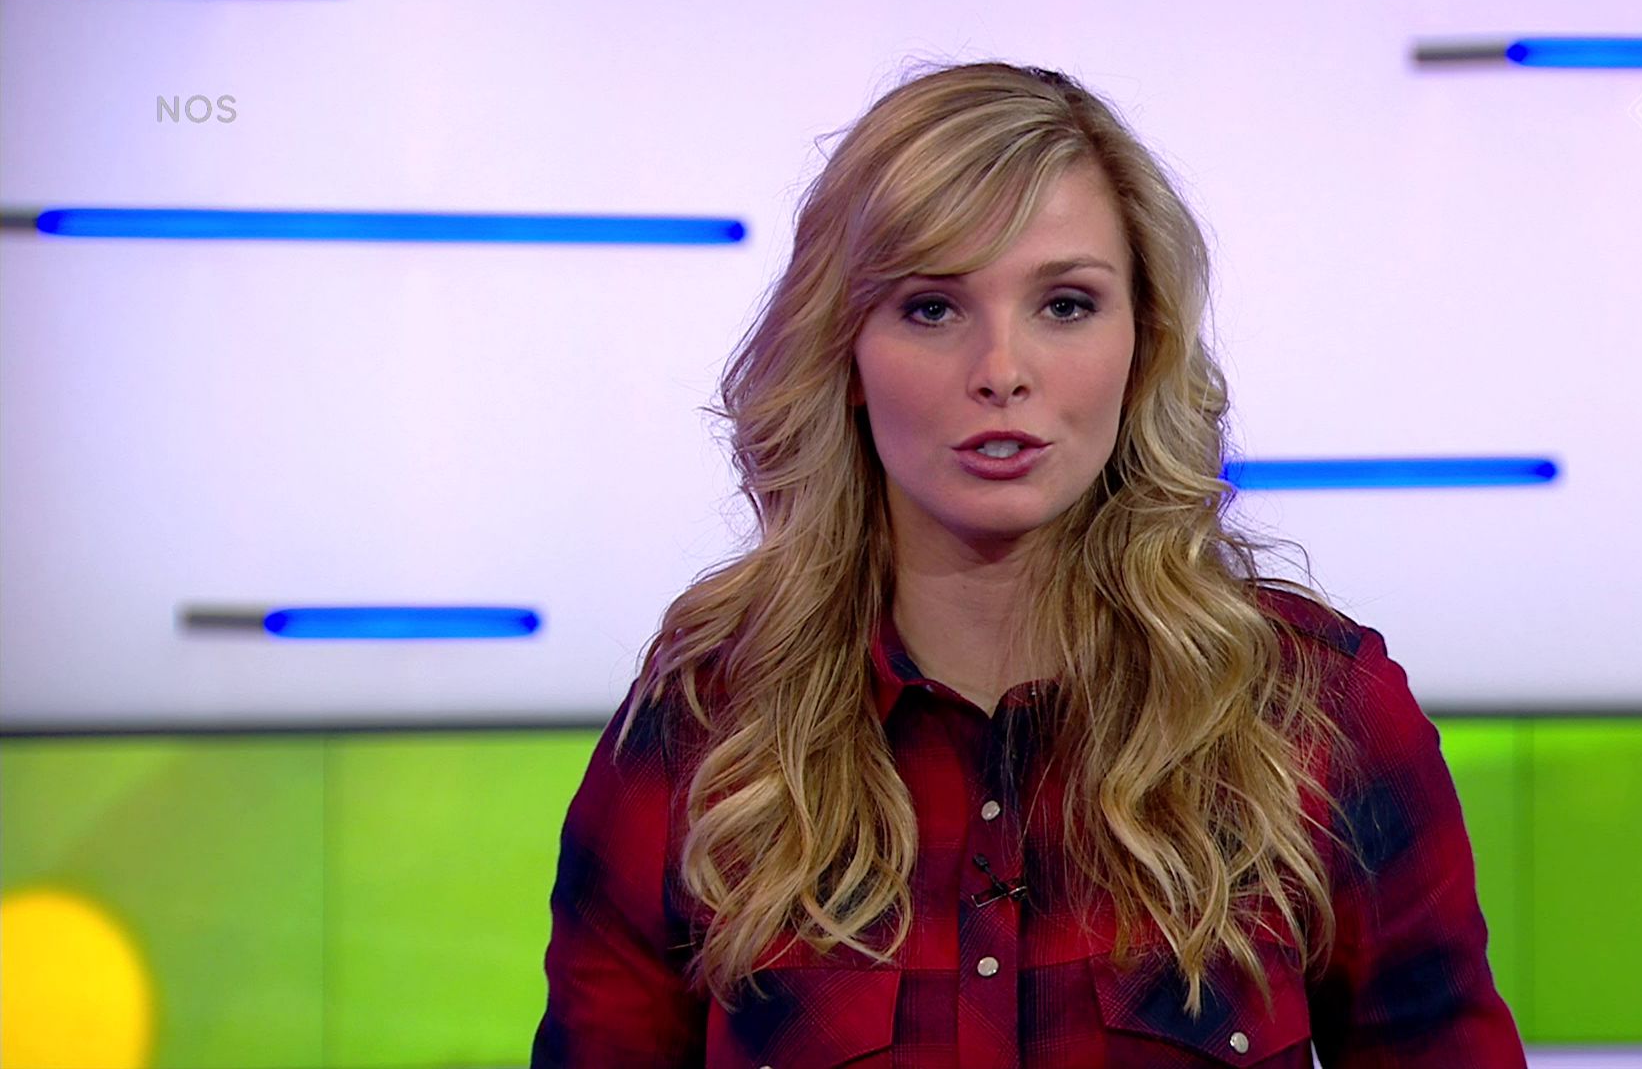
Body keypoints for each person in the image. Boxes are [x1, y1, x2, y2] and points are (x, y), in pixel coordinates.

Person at [532, 60, 1525, 1068]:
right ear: (846, 354)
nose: (1001, 371)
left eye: (1065, 304)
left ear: (1145, 343)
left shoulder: (1316, 716)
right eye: (932, 308)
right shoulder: (706, 730)